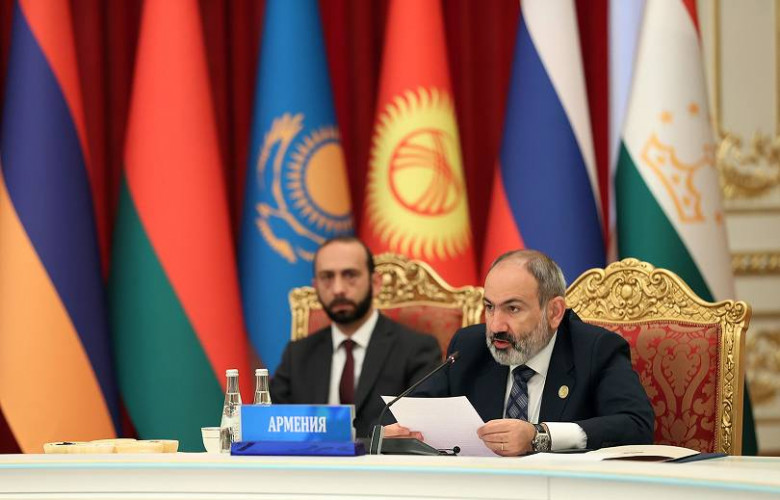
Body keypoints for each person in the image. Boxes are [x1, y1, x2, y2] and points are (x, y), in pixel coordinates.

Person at [386, 249, 654, 455]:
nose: (496, 326)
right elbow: (409, 410)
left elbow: (636, 425)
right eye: (489, 307)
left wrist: (539, 436)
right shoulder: (469, 346)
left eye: (512, 309)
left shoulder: (594, 349)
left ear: (554, 312)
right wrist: (397, 431)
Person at [270, 236, 442, 437]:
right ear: (316, 287)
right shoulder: (298, 354)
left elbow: (417, 425)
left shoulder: (417, 349)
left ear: (375, 283)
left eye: (350, 275)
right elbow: (272, 423)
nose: (338, 289)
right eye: (327, 277)